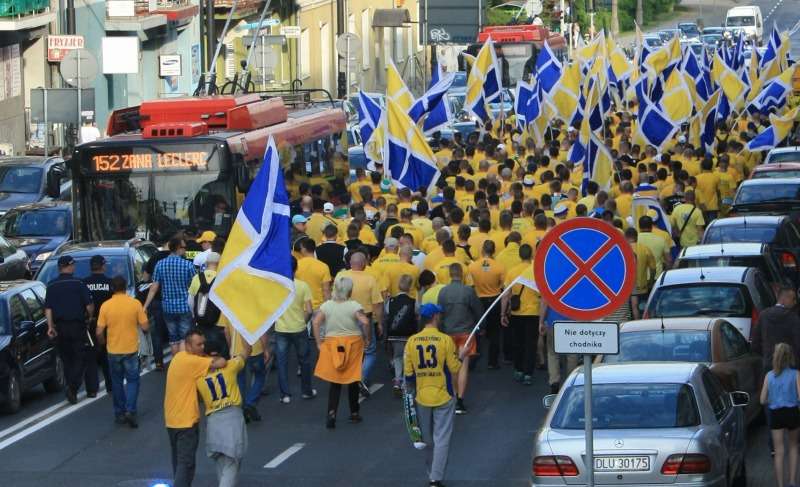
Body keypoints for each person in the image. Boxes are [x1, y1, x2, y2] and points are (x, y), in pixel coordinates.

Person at [404, 303, 466, 487]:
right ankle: (435, 478)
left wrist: (410, 393)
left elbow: (408, 374)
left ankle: (430, 470)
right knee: (442, 437)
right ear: (435, 317)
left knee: (428, 438)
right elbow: (454, 367)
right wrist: (461, 355)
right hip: (443, 394)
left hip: (422, 395)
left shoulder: (412, 341)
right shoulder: (444, 340)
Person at [164, 329, 227, 487]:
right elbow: (221, 363)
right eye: (198, 344)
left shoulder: (179, 357)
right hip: (186, 422)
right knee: (186, 465)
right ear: (188, 346)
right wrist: (211, 357)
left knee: (178, 463)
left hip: (172, 421)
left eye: (203, 343)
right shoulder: (192, 361)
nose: (202, 347)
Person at [312, 275, 371, 428]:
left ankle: (331, 414)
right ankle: (354, 413)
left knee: (335, 381)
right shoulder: (354, 305)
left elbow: (316, 321)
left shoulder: (327, 306)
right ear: (349, 291)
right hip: (353, 344)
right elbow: (365, 321)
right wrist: (367, 338)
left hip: (332, 344)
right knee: (353, 379)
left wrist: (319, 342)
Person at [197, 335, 251, 487]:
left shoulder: (199, 376)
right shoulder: (230, 366)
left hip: (213, 420)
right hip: (232, 417)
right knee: (232, 462)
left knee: (220, 462)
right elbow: (247, 350)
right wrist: (243, 332)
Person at [95, 276, 149, 428]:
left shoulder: (106, 306)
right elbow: (145, 327)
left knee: (117, 382)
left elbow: (99, 331)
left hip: (113, 349)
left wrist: (102, 343)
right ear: (125, 287)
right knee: (133, 381)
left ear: (112, 288)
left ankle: (119, 412)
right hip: (131, 349)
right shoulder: (134, 303)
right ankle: (131, 410)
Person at [45, 255, 95, 404]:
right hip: (77, 325)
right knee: (80, 356)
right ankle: (73, 387)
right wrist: (89, 318)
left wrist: (50, 326)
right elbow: (89, 306)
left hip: (60, 326)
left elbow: (48, 308)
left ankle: (70, 386)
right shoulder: (78, 283)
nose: (74, 267)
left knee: (67, 358)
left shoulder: (51, 285)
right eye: (73, 265)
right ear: (68, 266)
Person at [438, 263, 483, 415]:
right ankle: (460, 400)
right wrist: (481, 327)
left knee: (451, 366)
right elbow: (478, 311)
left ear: (450, 274)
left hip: (448, 332)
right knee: (463, 366)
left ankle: (452, 395)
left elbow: (440, 314)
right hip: (466, 333)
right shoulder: (468, 291)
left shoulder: (443, 292)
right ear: (462, 274)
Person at [144, 237, 197, 354]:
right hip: (184, 306)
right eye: (184, 247)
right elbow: (195, 286)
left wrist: (145, 306)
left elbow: (154, 288)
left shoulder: (160, 264)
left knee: (173, 338)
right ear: (178, 248)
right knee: (184, 338)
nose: (185, 250)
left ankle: (175, 365)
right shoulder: (188, 265)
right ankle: (182, 365)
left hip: (167, 307)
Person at [274, 257, 316, 403]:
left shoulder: (276, 285)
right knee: (304, 360)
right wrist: (303, 322)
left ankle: (285, 394)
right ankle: (306, 391)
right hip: (299, 328)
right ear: (296, 268)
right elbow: (309, 310)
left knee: (281, 362)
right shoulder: (303, 285)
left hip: (281, 328)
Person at [760, 342, 800, 487]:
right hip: (792, 413)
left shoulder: (769, 376)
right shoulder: (796, 374)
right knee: (793, 447)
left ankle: (781, 485)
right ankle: (793, 482)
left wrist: (774, 399)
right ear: (790, 357)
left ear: (775, 357)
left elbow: (762, 400)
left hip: (775, 413)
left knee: (779, 451)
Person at [501, 244, 540, 385]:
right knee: (531, 343)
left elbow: (506, 295)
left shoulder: (512, 272)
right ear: (531, 255)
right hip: (533, 312)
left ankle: (518, 369)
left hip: (516, 313)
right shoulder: (536, 271)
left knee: (517, 342)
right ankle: (528, 373)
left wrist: (503, 314)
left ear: (520, 255)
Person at [467, 240, 506, 369]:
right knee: (495, 333)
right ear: (493, 251)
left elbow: (470, 285)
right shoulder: (499, 267)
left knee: (476, 329)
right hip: (494, 300)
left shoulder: (473, 267)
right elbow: (503, 286)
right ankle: (492, 362)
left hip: (478, 300)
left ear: (483, 250)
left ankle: (473, 359)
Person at [83, 255, 113, 393]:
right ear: (103, 266)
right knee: (107, 356)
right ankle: (110, 385)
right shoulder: (110, 283)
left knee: (91, 357)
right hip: (108, 324)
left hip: (90, 323)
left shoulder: (84, 283)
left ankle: (92, 389)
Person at [752, 286, 800, 371]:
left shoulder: (764, 315)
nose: (795, 302)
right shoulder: (793, 318)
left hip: (769, 364)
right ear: (785, 299)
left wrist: (766, 355)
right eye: (793, 299)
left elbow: (755, 342)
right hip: (789, 366)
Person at [385, 274, 418, 395]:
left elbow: (387, 313)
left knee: (397, 357)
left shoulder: (391, 301)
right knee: (407, 358)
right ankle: (405, 382)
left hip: (394, 334)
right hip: (408, 334)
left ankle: (397, 380)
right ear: (410, 287)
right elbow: (417, 314)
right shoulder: (413, 301)